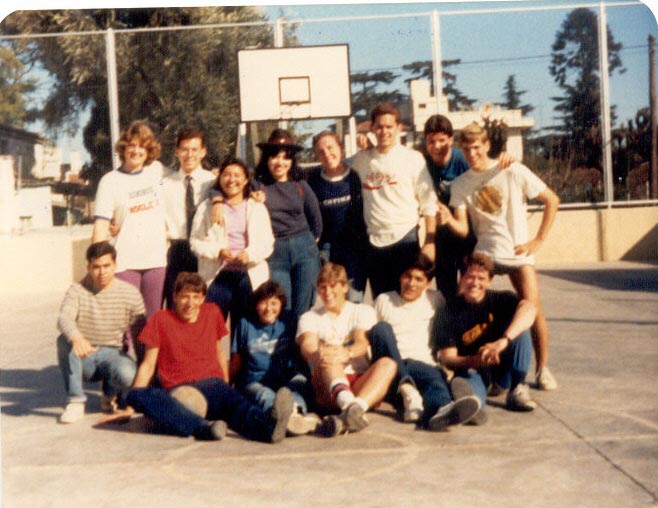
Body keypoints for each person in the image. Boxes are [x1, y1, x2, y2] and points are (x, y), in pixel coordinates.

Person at [98, 272, 294, 443]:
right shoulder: (161, 319)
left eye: (195, 297)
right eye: (185, 297)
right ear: (175, 297)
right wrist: (130, 409)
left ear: (202, 298)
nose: (190, 303)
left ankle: (268, 427)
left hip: (212, 384)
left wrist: (226, 385)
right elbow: (148, 365)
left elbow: (219, 352)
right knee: (134, 394)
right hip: (178, 390)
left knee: (238, 406)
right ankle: (203, 428)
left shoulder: (212, 313)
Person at [439, 122, 560, 391]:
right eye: (466, 149)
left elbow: (552, 200)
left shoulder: (512, 169)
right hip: (485, 253)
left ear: (486, 146)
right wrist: (448, 220)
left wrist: (538, 240)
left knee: (532, 307)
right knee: (465, 305)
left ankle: (542, 369)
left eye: (476, 147)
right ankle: (466, 366)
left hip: (517, 252)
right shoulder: (461, 183)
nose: (472, 153)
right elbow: (463, 229)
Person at [371, 256, 482, 430]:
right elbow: (374, 340)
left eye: (418, 279)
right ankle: (433, 402)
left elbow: (457, 312)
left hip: (424, 367)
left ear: (428, 283)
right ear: (400, 277)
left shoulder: (435, 300)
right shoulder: (384, 300)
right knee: (381, 329)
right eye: (407, 276)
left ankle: (439, 413)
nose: (411, 283)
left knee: (434, 379)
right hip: (391, 369)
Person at [91, 120, 167, 359]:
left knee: (152, 322)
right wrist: (96, 263)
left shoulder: (158, 173)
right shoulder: (110, 181)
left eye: (142, 146)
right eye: (131, 145)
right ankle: (122, 375)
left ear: (149, 150)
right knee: (127, 324)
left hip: (156, 260)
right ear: (123, 147)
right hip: (125, 262)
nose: (136, 150)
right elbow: (101, 224)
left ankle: (148, 374)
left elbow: (182, 180)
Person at [296, 263, 397, 436]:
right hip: (327, 383)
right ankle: (350, 406)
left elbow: (361, 341)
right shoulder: (309, 316)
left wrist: (347, 353)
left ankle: (352, 411)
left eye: (332, 286)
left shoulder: (362, 310)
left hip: (360, 382)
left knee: (388, 364)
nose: (327, 292)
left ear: (344, 287)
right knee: (329, 356)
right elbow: (307, 345)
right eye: (322, 288)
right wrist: (319, 353)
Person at [351, 102, 438, 298]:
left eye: (389, 126)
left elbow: (428, 203)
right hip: (375, 243)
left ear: (398, 128)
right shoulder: (361, 160)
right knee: (383, 301)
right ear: (372, 128)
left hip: (405, 239)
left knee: (408, 299)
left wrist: (430, 241)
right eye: (379, 126)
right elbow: (336, 167)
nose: (384, 131)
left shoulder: (413, 158)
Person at [434, 253, 538, 413]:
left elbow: (530, 309)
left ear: (489, 281)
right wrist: (477, 359)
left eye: (481, 278)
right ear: (462, 278)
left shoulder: (501, 299)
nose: (475, 283)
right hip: (474, 368)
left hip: (503, 369)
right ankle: (472, 407)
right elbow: (447, 358)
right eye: (470, 277)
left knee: (520, 329)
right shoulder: (448, 311)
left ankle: (517, 388)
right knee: (471, 396)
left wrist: (502, 342)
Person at [56, 241, 146, 423]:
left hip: (112, 353)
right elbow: (64, 318)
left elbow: (140, 332)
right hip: (83, 354)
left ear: (115, 265)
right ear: (88, 268)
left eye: (106, 266)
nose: (102, 272)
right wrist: (77, 338)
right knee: (64, 341)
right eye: (96, 267)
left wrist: (144, 370)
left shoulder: (130, 293)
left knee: (128, 374)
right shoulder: (77, 290)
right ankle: (75, 401)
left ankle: (109, 394)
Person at [190, 157, 274, 335]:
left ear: (246, 180)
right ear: (219, 178)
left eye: (237, 175)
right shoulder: (207, 207)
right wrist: (217, 251)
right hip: (217, 276)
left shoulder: (256, 207)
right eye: (226, 175)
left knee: (244, 332)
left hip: (249, 276)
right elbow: (195, 241)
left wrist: (249, 254)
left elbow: (268, 244)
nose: (231, 180)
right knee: (209, 331)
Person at [231, 280, 319, 435]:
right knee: (264, 395)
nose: (268, 308)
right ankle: (286, 417)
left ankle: (295, 414)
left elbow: (304, 350)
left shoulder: (290, 320)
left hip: (287, 378)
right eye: (263, 303)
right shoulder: (245, 323)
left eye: (274, 303)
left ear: (281, 304)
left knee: (298, 385)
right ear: (256, 305)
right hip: (256, 380)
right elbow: (236, 360)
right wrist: (226, 386)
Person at [254, 129, 323, 321]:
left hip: (304, 250)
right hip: (275, 252)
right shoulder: (257, 185)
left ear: (292, 161)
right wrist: (217, 202)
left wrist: (309, 244)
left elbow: (316, 220)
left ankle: (302, 342)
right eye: (275, 156)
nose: (280, 162)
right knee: (282, 307)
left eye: (286, 157)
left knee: (304, 309)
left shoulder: (300, 185)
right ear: (267, 159)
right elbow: (222, 187)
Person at [307, 131, 367, 302]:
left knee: (353, 299)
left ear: (341, 148)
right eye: (321, 151)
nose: (327, 154)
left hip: (355, 247)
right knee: (332, 299)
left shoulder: (356, 175)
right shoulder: (313, 181)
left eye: (330, 147)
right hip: (327, 249)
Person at [162, 128, 216, 309]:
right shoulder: (164, 184)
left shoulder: (213, 181)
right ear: (177, 152)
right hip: (177, 250)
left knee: (204, 307)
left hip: (204, 250)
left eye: (194, 149)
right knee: (176, 305)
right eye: (184, 149)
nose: (189, 155)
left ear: (203, 152)